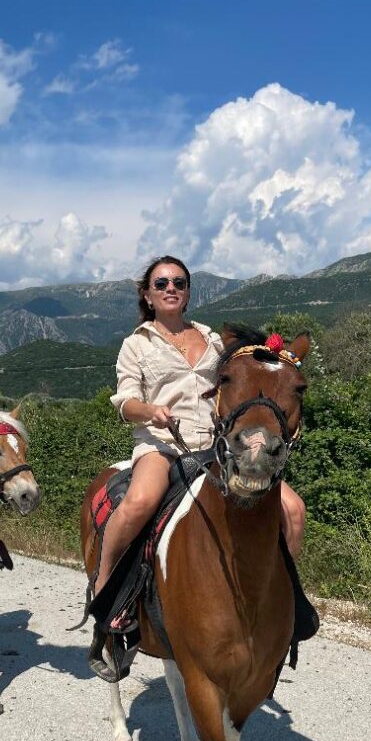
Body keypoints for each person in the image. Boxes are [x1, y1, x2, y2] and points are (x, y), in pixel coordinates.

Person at [93, 254, 306, 613]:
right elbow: (125, 401)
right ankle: (104, 585)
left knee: (294, 509)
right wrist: (150, 411)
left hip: (215, 446)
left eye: (179, 282)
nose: (171, 288)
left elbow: (244, 374)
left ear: (188, 292)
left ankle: (280, 596)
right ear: (147, 295)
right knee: (139, 503)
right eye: (161, 283)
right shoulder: (137, 344)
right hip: (161, 445)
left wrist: (276, 357)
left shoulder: (212, 339)